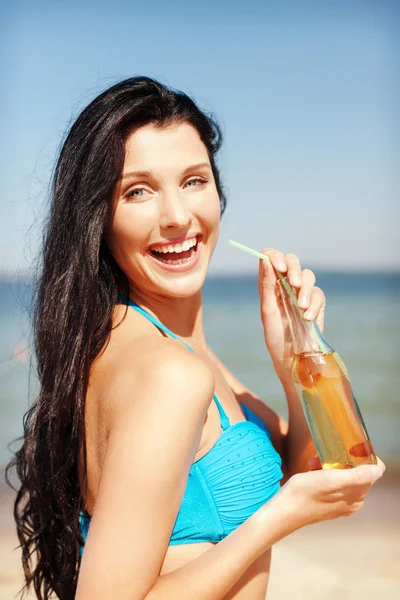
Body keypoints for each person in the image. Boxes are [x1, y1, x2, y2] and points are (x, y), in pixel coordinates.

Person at [6, 76, 384, 600]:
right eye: (137, 191)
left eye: (193, 181)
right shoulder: (168, 373)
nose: (178, 217)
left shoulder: (167, 346)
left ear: (218, 192)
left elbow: (298, 468)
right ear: (100, 218)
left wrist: (293, 358)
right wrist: (280, 520)